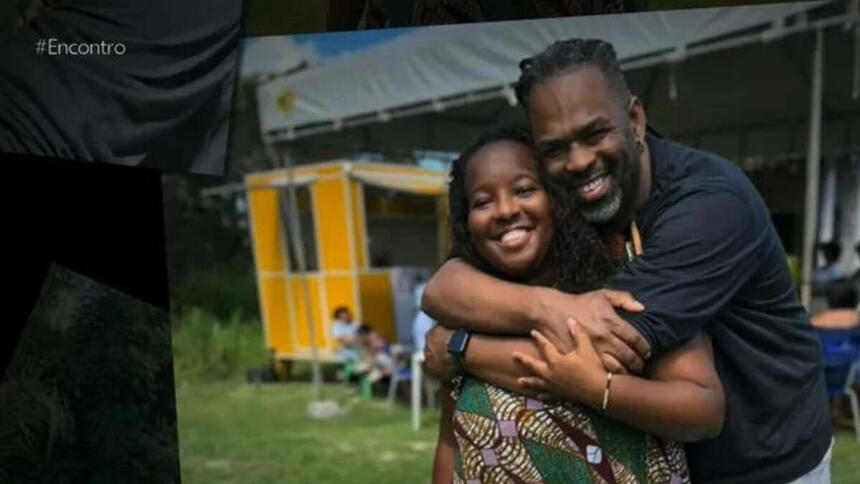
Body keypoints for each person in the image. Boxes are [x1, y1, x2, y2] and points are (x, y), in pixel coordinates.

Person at [422, 38, 832, 484]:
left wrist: (462, 349)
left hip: (769, 463)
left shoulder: (709, 207)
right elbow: (445, 287)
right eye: (555, 149)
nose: (578, 161)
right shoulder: (581, 203)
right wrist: (545, 305)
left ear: (634, 120)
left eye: (594, 134)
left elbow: (593, 351)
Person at [431, 126, 724, 483]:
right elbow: (450, 442)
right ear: (466, 223)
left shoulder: (626, 284)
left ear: (557, 200)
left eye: (524, 189)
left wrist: (596, 387)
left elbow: (703, 412)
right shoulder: (468, 313)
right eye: (482, 201)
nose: (505, 210)